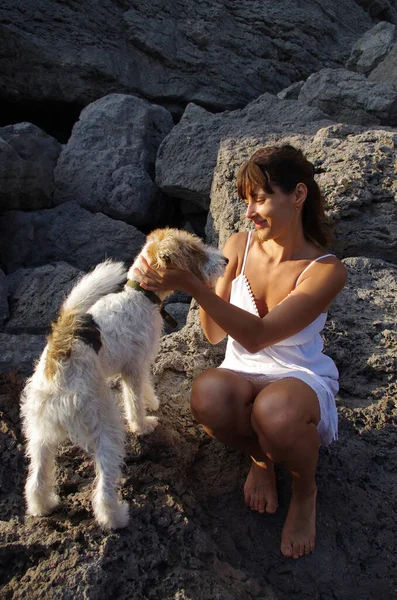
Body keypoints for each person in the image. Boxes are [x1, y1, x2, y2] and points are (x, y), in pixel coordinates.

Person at [134, 144, 347, 560]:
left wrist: (192, 286)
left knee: (277, 413)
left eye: (261, 198)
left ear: (298, 195)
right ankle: (261, 459)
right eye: (245, 200)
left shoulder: (326, 269)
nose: (249, 212)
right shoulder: (238, 244)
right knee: (207, 395)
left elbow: (258, 335)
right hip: (242, 369)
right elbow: (215, 334)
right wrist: (214, 275)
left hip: (297, 378)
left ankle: (305, 491)